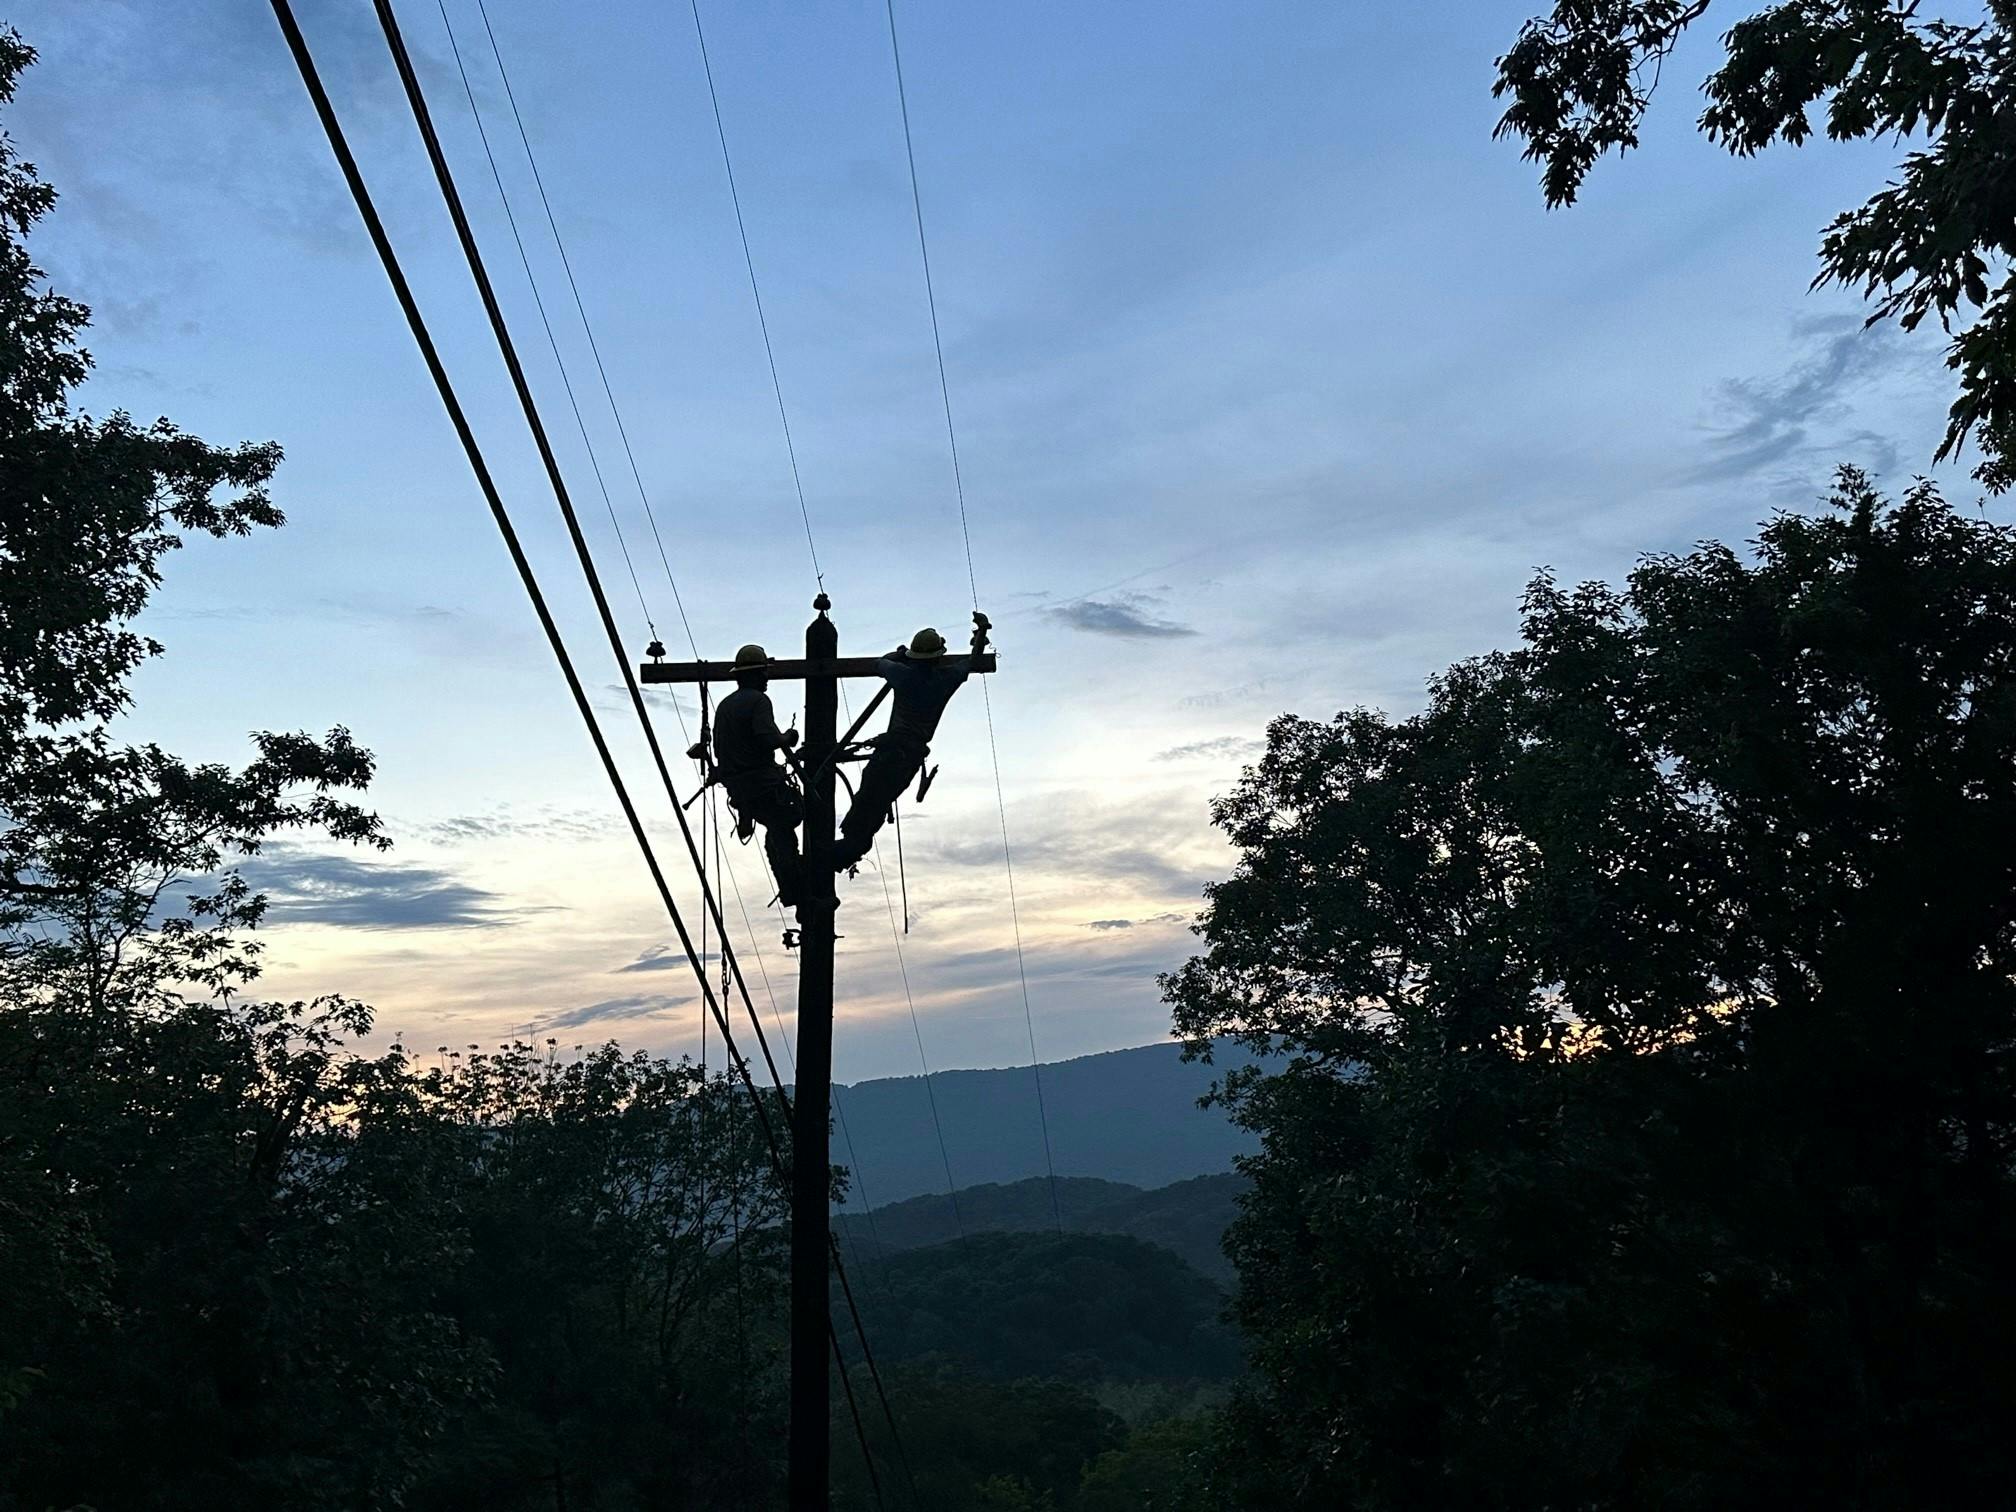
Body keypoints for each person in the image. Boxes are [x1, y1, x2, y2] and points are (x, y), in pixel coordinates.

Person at [833, 626, 969, 871]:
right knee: (876, 803)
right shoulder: (946, 679)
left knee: (868, 801)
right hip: (909, 760)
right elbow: (972, 662)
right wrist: (980, 634)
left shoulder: (902, 674)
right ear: (938, 657)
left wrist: (902, 654)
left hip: (890, 753)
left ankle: (838, 852)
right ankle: (844, 849)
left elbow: (880, 662)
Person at [713, 643, 806, 908]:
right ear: (755, 674)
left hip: (740, 789)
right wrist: (788, 737)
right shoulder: (758, 701)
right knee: (790, 821)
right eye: (764, 673)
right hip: (762, 783)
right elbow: (766, 739)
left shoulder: (725, 705)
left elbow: (722, 749)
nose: (767, 678)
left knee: (776, 830)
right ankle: (795, 886)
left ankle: (791, 886)